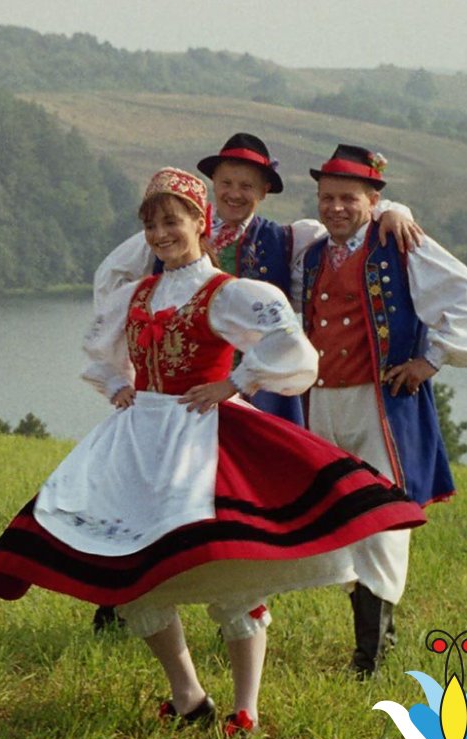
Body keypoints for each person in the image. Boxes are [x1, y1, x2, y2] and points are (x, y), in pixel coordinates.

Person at [0, 168, 428, 737]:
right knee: (135, 580)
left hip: (201, 443)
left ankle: (246, 710)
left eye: (173, 220)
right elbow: (101, 351)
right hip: (139, 442)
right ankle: (190, 698)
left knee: (235, 580)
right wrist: (118, 382)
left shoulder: (226, 293)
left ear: (200, 222)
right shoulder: (138, 294)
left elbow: (294, 352)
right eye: (152, 224)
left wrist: (235, 383)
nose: (162, 233)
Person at [83, 132, 423, 635]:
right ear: (211, 188)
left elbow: (347, 220)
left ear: (263, 192)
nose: (235, 193)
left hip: (252, 392)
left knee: (246, 504)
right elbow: (111, 284)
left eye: (247, 185)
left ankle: (246, 612)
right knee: (146, 490)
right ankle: (125, 600)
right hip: (171, 396)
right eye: (227, 183)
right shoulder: (168, 227)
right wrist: (130, 370)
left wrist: (392, 207)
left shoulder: (289, 237)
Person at [294, 144, 467, 678]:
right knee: (340, 518)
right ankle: (378, 634)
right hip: (323, 403)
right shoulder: (313, 251)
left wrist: (429, 361)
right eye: (327, 197)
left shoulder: (398, 243)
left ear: (372, 200)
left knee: (381, 521)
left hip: (380, 404)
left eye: (348, 198)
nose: (335, 208)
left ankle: (370, 657)